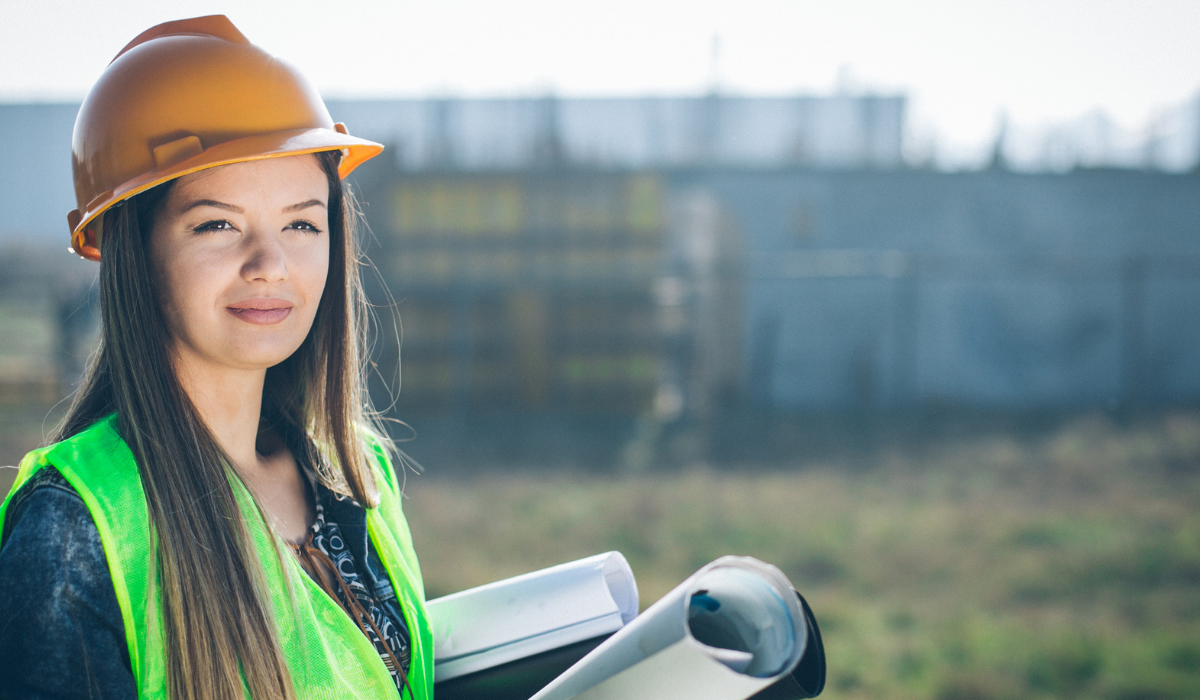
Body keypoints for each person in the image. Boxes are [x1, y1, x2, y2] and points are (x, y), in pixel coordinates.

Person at [0, 16, 431, 700]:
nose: (270, 265)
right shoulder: (77, 530)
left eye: (301, 223)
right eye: (218, 224)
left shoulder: (359, 477)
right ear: (131, 250)